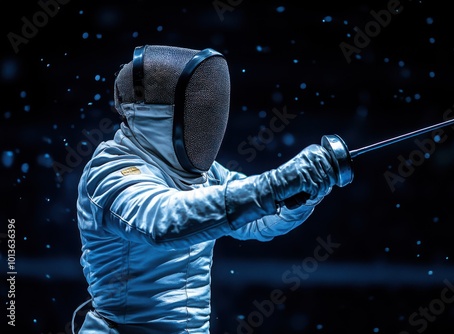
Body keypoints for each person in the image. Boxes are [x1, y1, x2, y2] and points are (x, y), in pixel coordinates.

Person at [75, 44, 347, 333]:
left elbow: (259, 221)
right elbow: (165, 222)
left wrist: (303, 195)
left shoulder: (199, 172)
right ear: (152, 113)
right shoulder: (110, 171)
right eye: (196, 110)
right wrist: (278, 184)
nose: (206, 122)